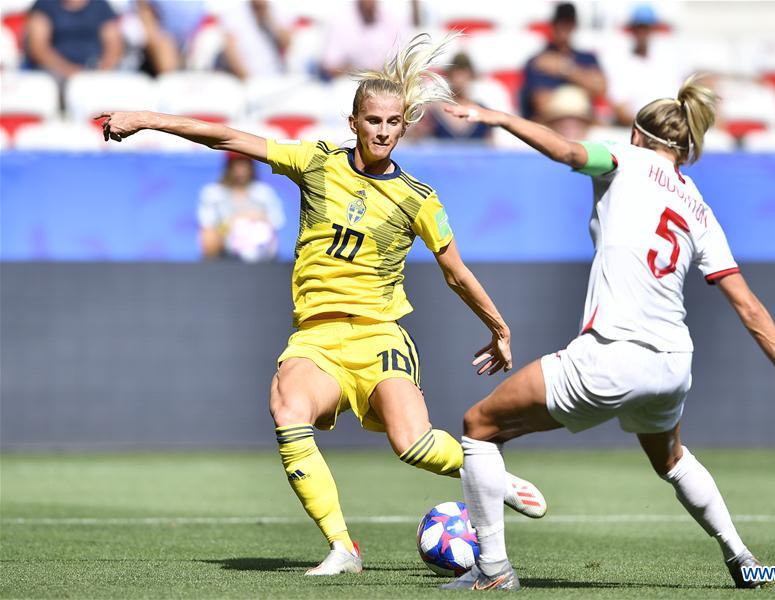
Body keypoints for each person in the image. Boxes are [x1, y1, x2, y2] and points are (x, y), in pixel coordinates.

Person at [96, 33, 546, 576]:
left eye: (393, 122)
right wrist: (146, 117)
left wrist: (499, 327)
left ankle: (497, 479)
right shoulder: (315, 163)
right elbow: (226, 138)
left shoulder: (418, 198)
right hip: (316, 336)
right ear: (353, 121)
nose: (382, 130)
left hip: (380, 334)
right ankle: (343, 548)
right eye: (373, 120)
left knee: (413, 443)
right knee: (288, 410)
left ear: (404, 127)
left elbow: (456, 272)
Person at [441, 75, 775, 590]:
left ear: (638, 136)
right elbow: (747, 302)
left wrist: (500, 117)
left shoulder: (625, 160)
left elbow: (565, 151)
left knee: (479, 426)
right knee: (670, 458)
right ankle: (741, 556)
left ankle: (492, 571)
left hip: (613, 353)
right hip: (672, 364)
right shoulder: (699, 209)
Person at [520, 2, 605, 122]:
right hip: (551, 126)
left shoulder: (587, 58)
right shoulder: (538, 61)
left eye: (568, 23)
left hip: (582, 125)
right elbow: (542, 104)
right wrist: (582, 84)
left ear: (574, 26)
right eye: (560, 23)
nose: (564, 28)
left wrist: (565, 69)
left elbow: (600, 88)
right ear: (553, 25)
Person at [197, 152, 286, 262]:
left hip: (261, 250)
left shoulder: (264, 193)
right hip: (225, 248)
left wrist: (255, 219)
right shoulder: (213, 193)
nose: (241, 170)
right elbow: (207, 225)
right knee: (209, 236)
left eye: (245, 164)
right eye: (236, 164)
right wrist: (231, 224)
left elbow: (277, 222)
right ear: (228, 167)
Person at [607, 4, 684, 126]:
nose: (642, 32)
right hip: (637, 130)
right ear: (632, 30)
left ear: (653, 29)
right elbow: (620, 108)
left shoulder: (669, 61)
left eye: (646, 28)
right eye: (639, 27)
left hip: (667, 127)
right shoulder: (620, 63)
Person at [25, 0, 123, 81]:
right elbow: (38, 47)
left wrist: (102, 71)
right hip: (54, 74)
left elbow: (114, 45)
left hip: (94, 72)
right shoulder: (44, 5)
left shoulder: (100, 5)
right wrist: (70, 72)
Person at [320, 0, 408, 80]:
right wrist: (361, 72)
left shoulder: (391, 18)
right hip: (352, 84)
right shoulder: (341, 22)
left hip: (387, 83)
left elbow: (405, 57)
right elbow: (330, 67)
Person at [417, 52, 491, 142]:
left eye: (463, 74)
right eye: (456, 74)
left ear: (470, 76)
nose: (460, 79)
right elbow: (418, 138)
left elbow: (489, 144)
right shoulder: (434, 109)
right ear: (450, 75)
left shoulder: (481, 111)